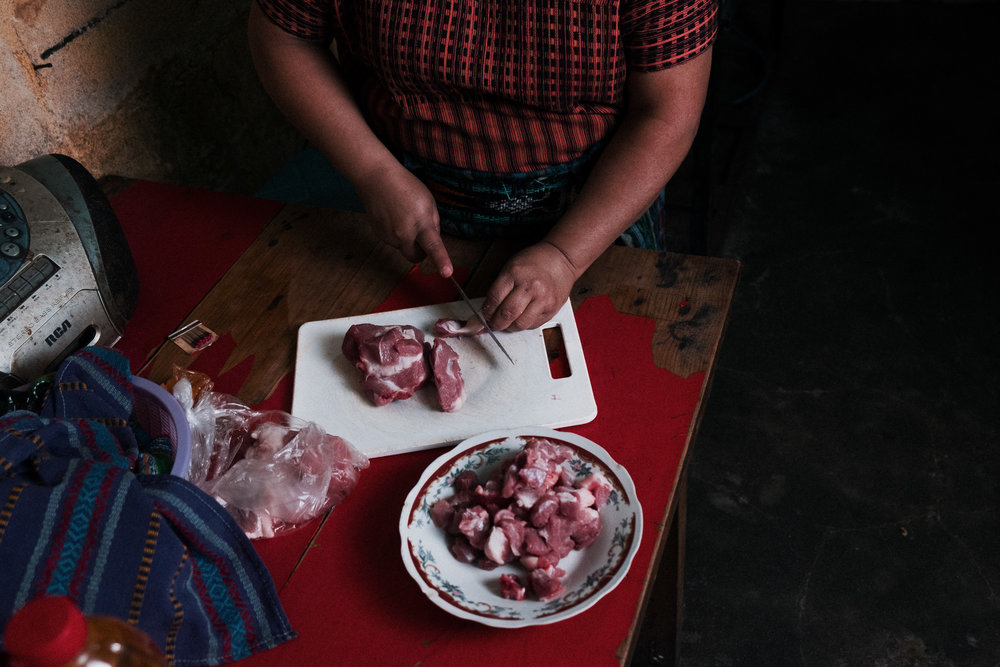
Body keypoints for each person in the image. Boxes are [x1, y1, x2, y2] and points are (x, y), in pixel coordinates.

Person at [248, 0, 717, 331]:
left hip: (592, 201)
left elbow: (667, 114)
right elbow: (284, 38)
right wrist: (373, 171)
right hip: (397, 191)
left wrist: (566, 256)